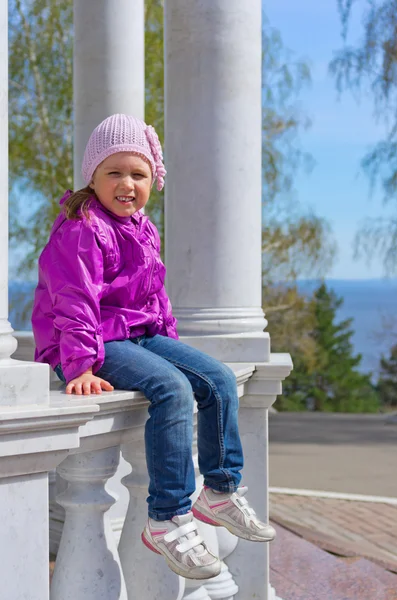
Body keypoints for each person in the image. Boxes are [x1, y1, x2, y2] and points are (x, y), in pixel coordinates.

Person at [32, 113, 276, 580]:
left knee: (217, 378)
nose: (127, 183)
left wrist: (172, 345)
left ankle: (220, 490)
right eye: (115, 172)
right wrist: (79, 365)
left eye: (138, 174)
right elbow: (74, 298)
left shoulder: (141, 227)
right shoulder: (83, 227)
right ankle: (166, 518)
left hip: (139, 333)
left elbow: (154, 295)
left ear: (152, 182)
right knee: (171, 390)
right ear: (94, 177)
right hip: (92, 340)